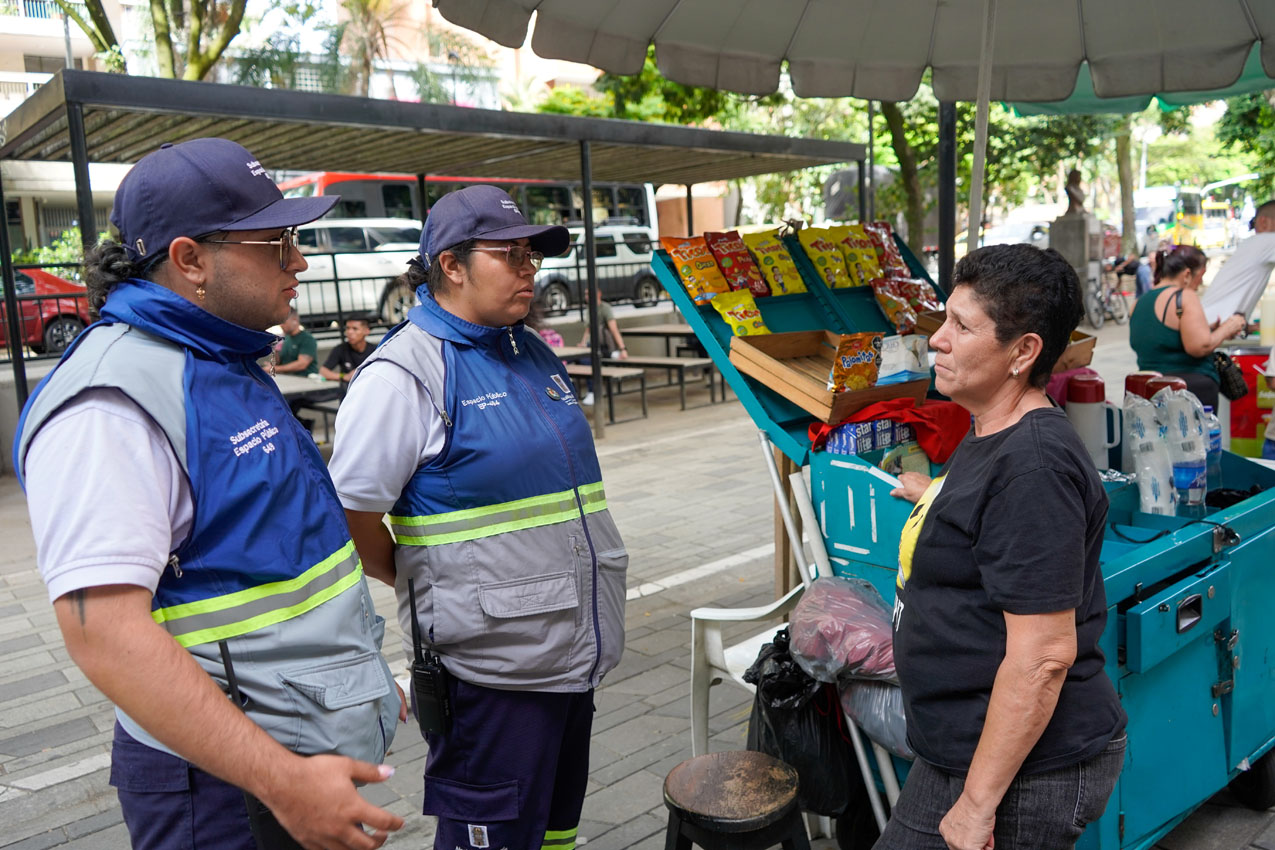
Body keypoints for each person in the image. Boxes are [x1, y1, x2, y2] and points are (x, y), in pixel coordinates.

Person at [13, 138, 405, 850]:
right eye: (277, 241)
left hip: (287, 754)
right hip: (232, 791)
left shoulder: (219, 358)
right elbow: (105, 633)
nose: (301, 262)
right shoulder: (112, 402)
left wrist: (361, 675)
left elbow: (272, 560)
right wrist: (282, 781)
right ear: (191, 259)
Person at [328, 184, 628, 850]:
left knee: (554, 835)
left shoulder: (527, 350)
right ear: (451, 266)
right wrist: (420, 577)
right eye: (509, 255)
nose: (530, 269)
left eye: (533, 255)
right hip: (491, 674)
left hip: (569, 655)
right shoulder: (404, 374)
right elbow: (350, 516)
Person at [880, 244, 1127, 850]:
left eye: (962, 327)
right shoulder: (993, 426)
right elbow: (990, 521)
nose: (937, 340)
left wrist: (976, 805)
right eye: (945, 319)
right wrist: (935, 495)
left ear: (1023, 352)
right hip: (966, 745)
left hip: (1017, 770)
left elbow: (1043, 658)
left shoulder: (1033, 469)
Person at [1129, 245, 1247, 408]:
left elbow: (1162, 337)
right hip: (1189, 393)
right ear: (1187, 274)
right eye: (1201, 275)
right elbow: (1199, 346)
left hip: (1150, 390)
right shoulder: (1184, 296)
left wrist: (1210, 329)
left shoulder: (1139, 303)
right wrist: (1228, 327)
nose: (1201, 283)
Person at [1201, 200, 1275, 323]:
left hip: (1213, 324)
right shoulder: (1265, 241)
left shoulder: (1253, 244)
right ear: (1264, 222)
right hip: (1214, 327)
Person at [577, 285, 628, 406]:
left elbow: (614, 329)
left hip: (602, 343)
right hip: (590, 344)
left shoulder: (605, 308)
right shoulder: (588, 309)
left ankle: (592, 391)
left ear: (598, 294)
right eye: (585, 294)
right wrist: (583, 343)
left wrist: (623, 348)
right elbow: (588, 329)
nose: (587, 297)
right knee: (573, 360)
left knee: (587, 360)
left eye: (589, 294)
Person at [320, 315, 377, 383]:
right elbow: (323, 371)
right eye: (347, 328)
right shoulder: (341, 349)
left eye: (355, 329)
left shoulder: (375, 351)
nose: (349, 332)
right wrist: (344, 376)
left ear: (367, 331)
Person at [274, 307, 318, 375]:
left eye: (284, 322)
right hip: (289, 379)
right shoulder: (286, 338)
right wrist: (275, 351)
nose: (281, 325)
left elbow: (302, 364)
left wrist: (275, 369)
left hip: (306, 380)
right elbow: (280, 363)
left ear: (295, 320)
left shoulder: (307, 339)